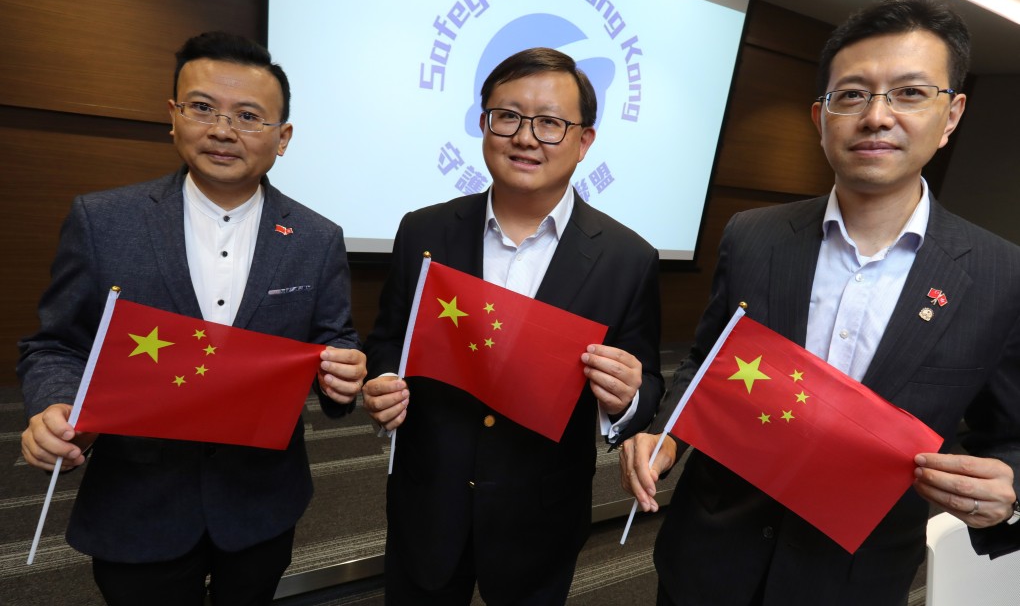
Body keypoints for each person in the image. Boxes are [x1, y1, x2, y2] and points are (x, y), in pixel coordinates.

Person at [621, 0, 1020, 606]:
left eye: (911, 93)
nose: (877, 116)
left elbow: (1012, 437)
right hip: (707, 559)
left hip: (853, 580)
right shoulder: (752, 236)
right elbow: (706, 363)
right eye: (853, 94)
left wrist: (1011, 490)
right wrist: (668, 433)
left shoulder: (1000, 276)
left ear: (952, 116)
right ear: (821, 117)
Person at [18, 31, 367, 606]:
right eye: (203, 108)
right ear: (173, 117)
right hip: (138, 498)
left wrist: (343, 375)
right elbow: (54, 344)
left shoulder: (316, 238)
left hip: (261, 501)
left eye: (249, 116)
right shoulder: (103, 221)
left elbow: (335, 343)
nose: (223, 130)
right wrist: (52, 404)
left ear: (282, 139)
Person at [362, 47, 664, 605]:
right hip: (428, 499)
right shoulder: (424, 231)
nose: (526, 138)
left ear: (584, 141)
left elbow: (648, 388)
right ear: (484, 124)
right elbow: (387, 341)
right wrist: (379, 384)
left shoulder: (629, 258)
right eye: (509, 116)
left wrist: (626, 399)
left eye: (550, 123)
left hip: (541, 512)